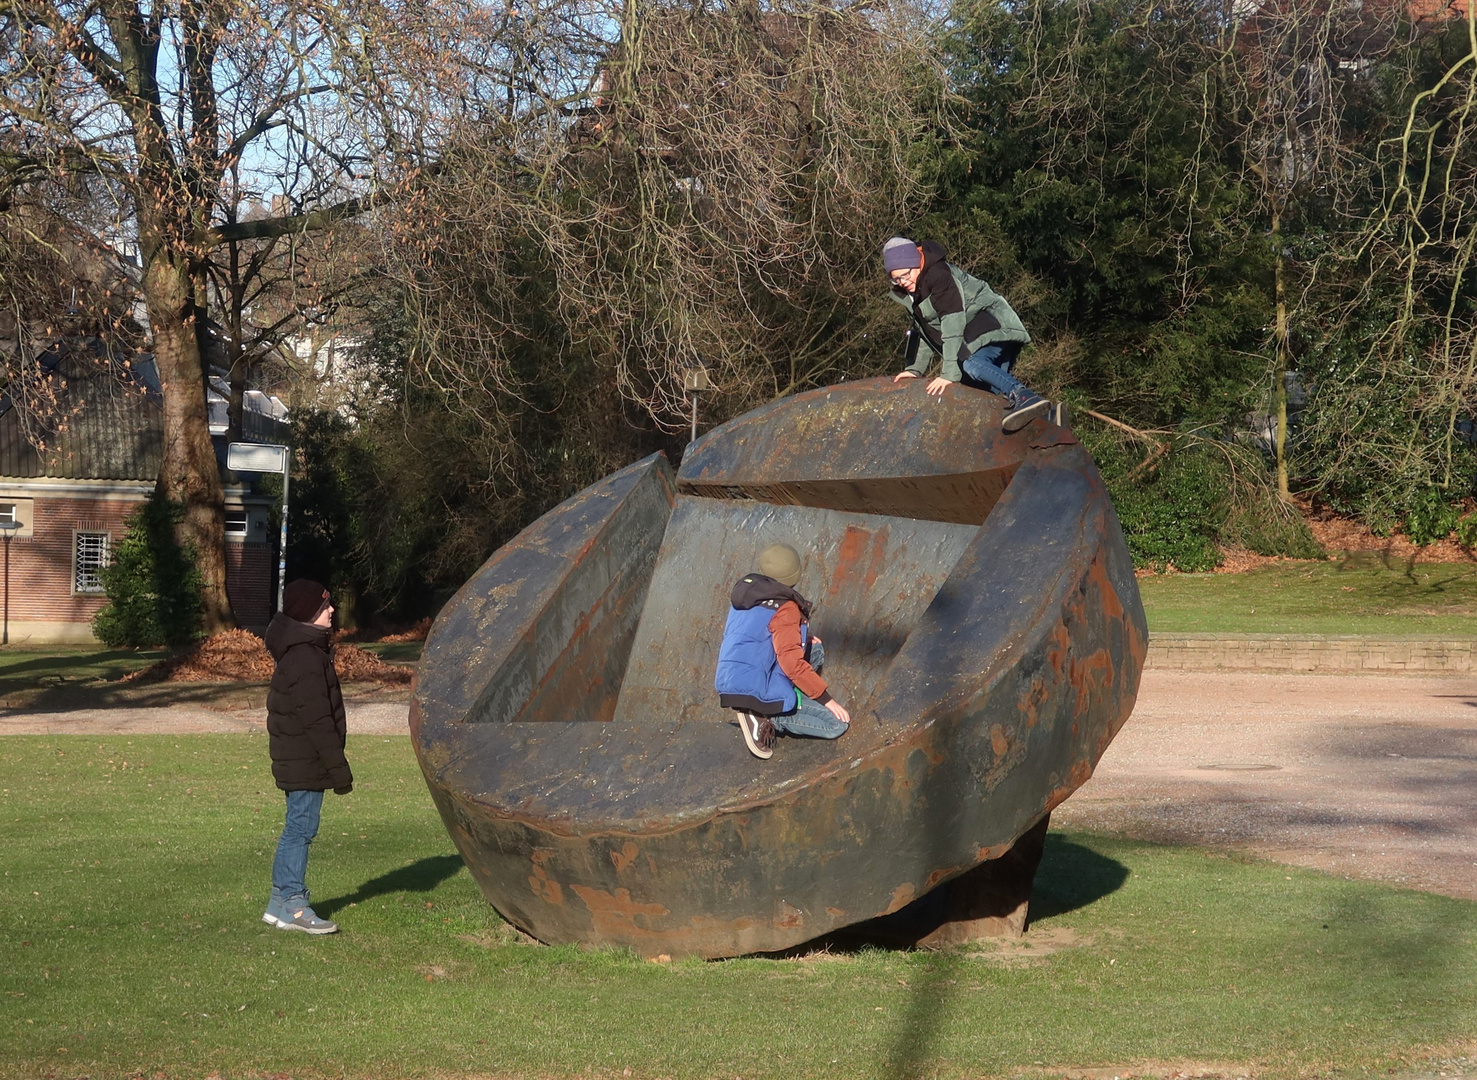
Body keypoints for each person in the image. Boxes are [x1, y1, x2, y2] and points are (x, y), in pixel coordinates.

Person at [883, 236, 1051, 432]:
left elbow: (952, 322)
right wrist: (914, 370)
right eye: (896, 278)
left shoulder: (939, 275)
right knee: (979, 392)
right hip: (969, 333)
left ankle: (1024, 395)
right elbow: (927, 333)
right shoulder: (913, 292)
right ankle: (1048, 419)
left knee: (970, 364)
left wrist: (948, 373)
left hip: (990, 322)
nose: (903, 282)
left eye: (905, 275)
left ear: (915, 263)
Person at [261, 578, 352, 934]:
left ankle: (279, 902)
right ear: (309, 613)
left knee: (295, 826)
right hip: (305, 758)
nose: (332, 611)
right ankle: (295, 904)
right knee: (301, 828)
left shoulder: (306, 649)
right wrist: (339, 770)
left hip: (299, 756)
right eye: (325, 606)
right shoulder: (304, 656)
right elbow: (317, 720)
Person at [714, 543, 851, 760]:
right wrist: (827, 700)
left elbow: (758, 634)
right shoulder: (786, 608)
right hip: (754, 690)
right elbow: (791, 663)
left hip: (734, 678)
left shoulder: (746, 596)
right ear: (794, 575)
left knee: (814, 649)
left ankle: (781, 699)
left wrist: (801, 638)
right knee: (836, 725)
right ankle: (767, 716)